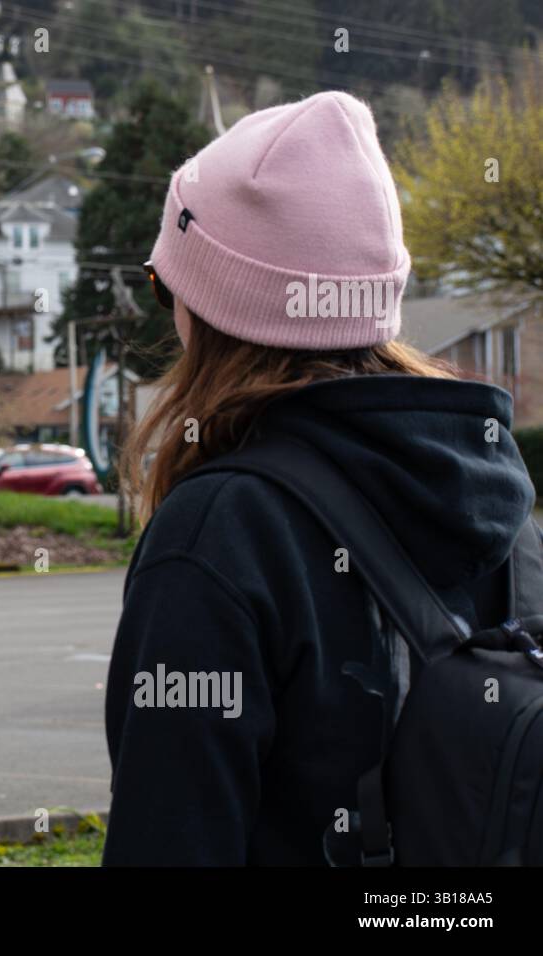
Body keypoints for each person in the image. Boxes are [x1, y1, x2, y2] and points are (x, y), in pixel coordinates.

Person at [101, 91, 536, 865]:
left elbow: (170, 836)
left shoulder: (220, 536)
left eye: (168, 285)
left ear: (213, 308)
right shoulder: (506, 507)